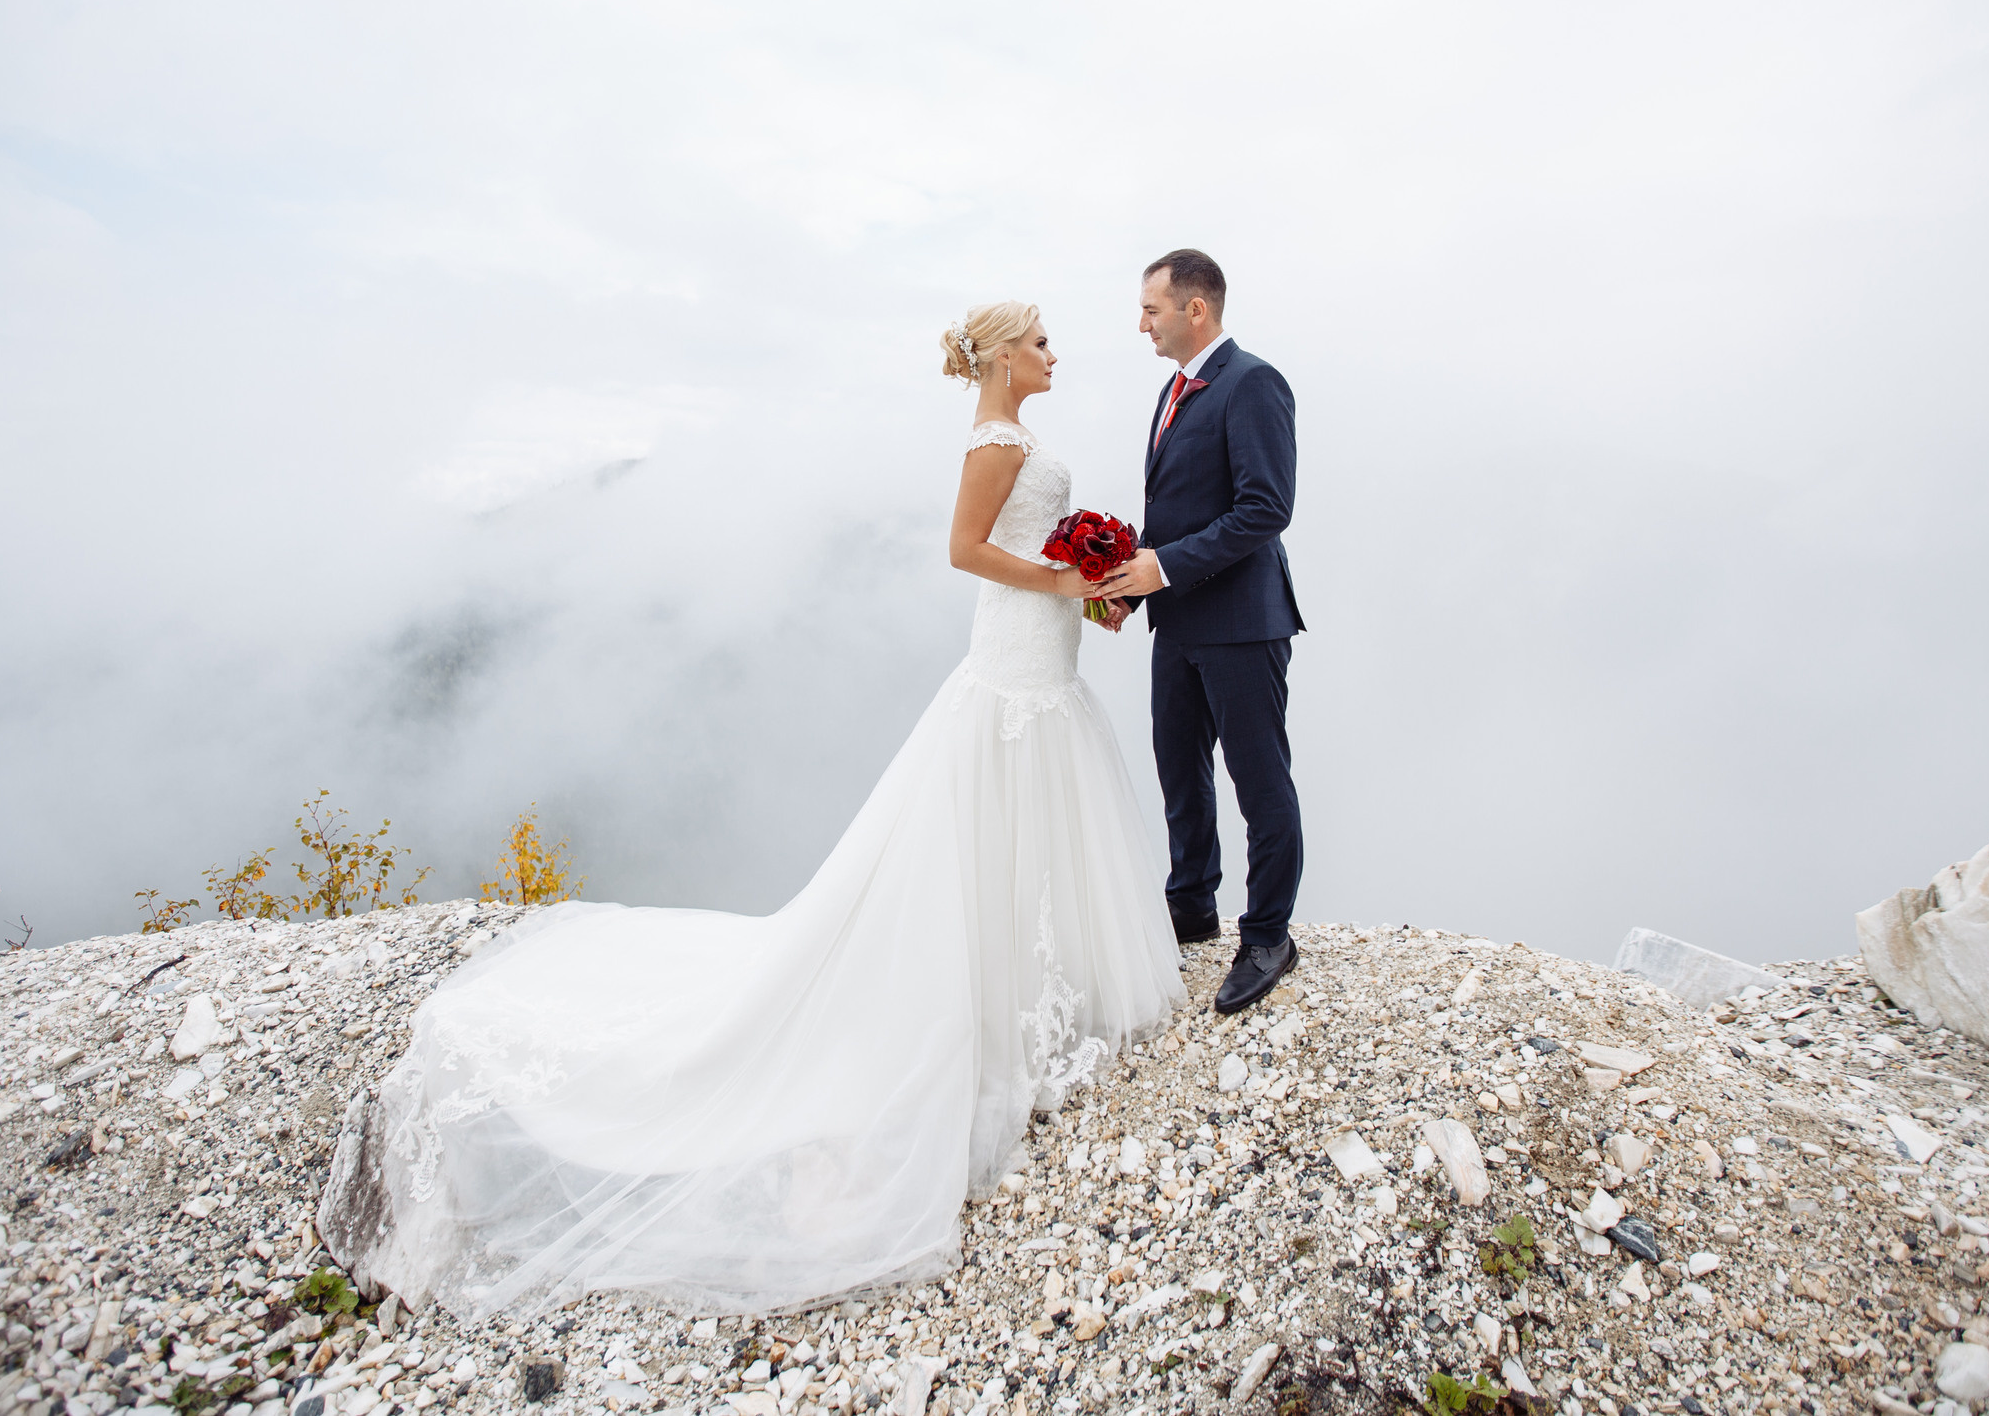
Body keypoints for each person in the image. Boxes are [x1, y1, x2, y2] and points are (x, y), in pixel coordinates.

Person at [318, 302, 1182, 1321]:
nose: (1052, 353)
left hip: (1044, 643)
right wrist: (1061, 571)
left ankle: (1032, 980)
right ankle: (985, 998)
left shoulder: (1021, 438)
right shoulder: (994, 439)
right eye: (1037, 341)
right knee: (996, 795)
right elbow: (962, 549)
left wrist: (1089, 582)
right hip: (1009, 650)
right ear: (998, 357)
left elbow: (1017, 544)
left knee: (1042, 794)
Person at [1096, 250, 1306, 1016]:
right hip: (1178, 619)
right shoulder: (1173, 389)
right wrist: (1132, 586)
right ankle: (1192, 902)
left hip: (1244, 622)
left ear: (1196, 309)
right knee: (1179, 770)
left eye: (1152, 308)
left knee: (1259, 780)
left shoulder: (1253, 382)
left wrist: (1167, 568)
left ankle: (1269, 934)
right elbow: (1177, 510)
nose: (1141, 322)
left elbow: (1266, 507)